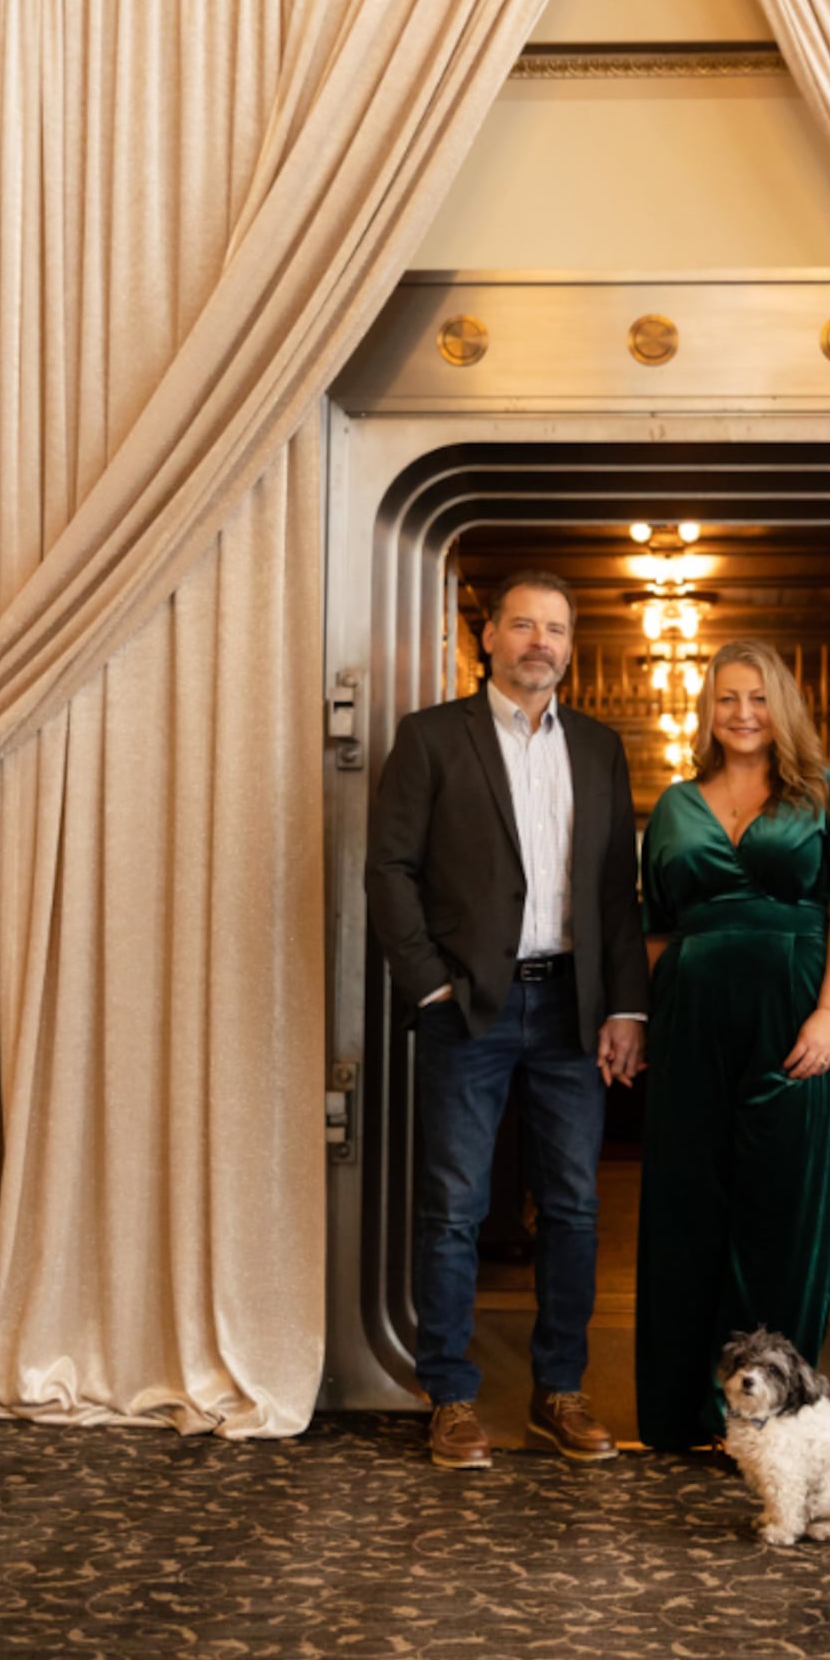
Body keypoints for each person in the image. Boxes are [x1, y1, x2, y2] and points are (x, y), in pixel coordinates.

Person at [366, 570, 648, 1471]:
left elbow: (614, 890)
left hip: (574, 1006)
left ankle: (558, 1394)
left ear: (572, 646)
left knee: (572, 1207)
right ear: (488, 638)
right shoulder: (431, 738)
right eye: (522, 625)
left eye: (556, 629)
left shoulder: (601, 749)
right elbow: (389, 871)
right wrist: (429, 985)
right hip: (470, 1006)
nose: (540, 642)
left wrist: (626, 1005)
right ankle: (450, 1397)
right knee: (454, 1206)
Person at [635, 638, 830, 1454]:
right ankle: (685, 1416)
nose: (741, 713)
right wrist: (657, 1015)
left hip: (796, 1014)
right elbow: (655, 928)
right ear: (706, 711)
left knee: (783, 1212)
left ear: (782, 707)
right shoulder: (676, 804)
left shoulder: (827, 793)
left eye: (757, 698)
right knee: (688, 1208)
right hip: (692, 1020)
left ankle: (776, 1421)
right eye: (725, 699)